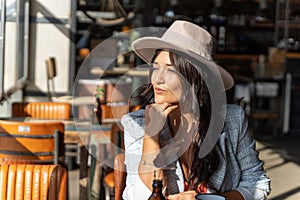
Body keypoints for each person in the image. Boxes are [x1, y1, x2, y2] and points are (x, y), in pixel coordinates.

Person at [120, 20, 271, 200]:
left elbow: (257, 183)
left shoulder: (232, 119)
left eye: (170, 70)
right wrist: (151, 137)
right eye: (155, 68)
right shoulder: (136, 123)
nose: (157, 79)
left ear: (196, 78)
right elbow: (137, 197)